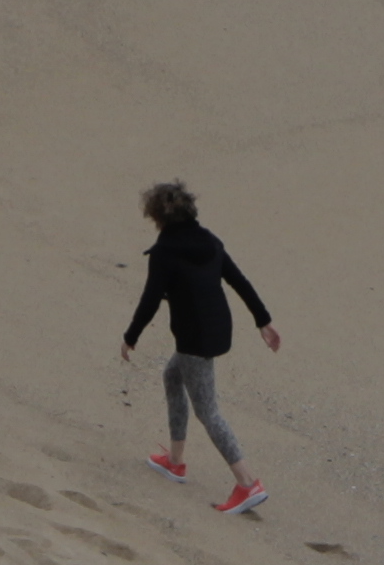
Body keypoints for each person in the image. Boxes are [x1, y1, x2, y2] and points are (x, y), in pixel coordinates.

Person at [119, 180, 280, 517]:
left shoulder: (165, 252)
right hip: (218, 329)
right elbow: (239, 280)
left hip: (195, 338)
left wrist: (131, 335)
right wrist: (263, 321)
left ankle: (248, 482)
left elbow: (151, 299)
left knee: (208, 411)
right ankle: (175, 462)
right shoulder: (209, 240)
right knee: (172, 375)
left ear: (157, 217)